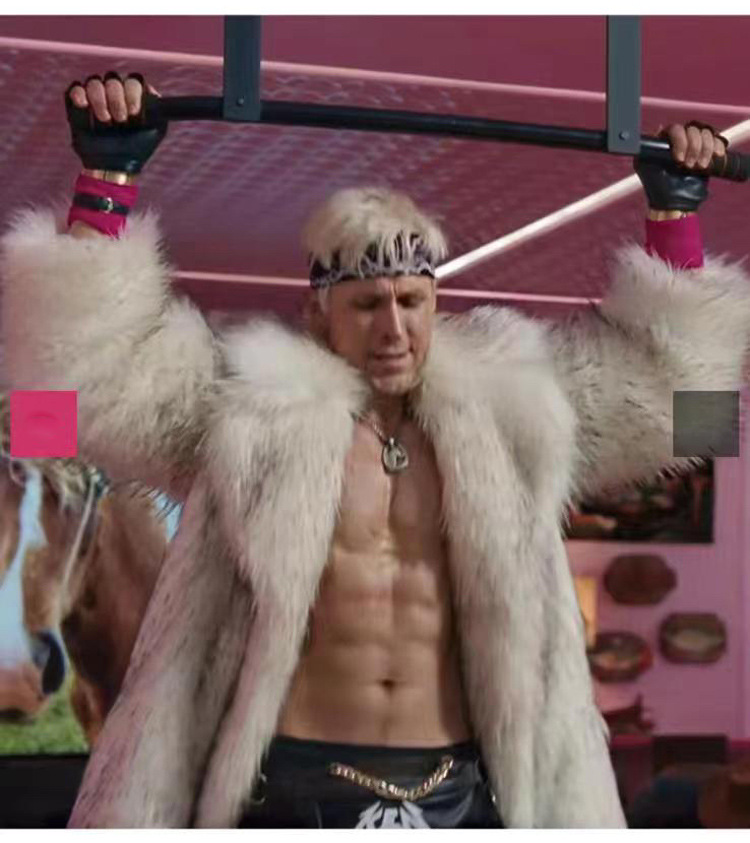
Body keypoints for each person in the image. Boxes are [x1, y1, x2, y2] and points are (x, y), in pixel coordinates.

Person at [1, 71, 748, 829]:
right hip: (286, 785)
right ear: (317, 312)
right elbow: (69, 389)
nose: (393, 329)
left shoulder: (513, 411)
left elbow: (693, 417)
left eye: (412, 302)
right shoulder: (248, 410)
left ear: (435, 303)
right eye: (366, 305)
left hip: (468, 790)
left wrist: (676, 215)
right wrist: (107, 181)